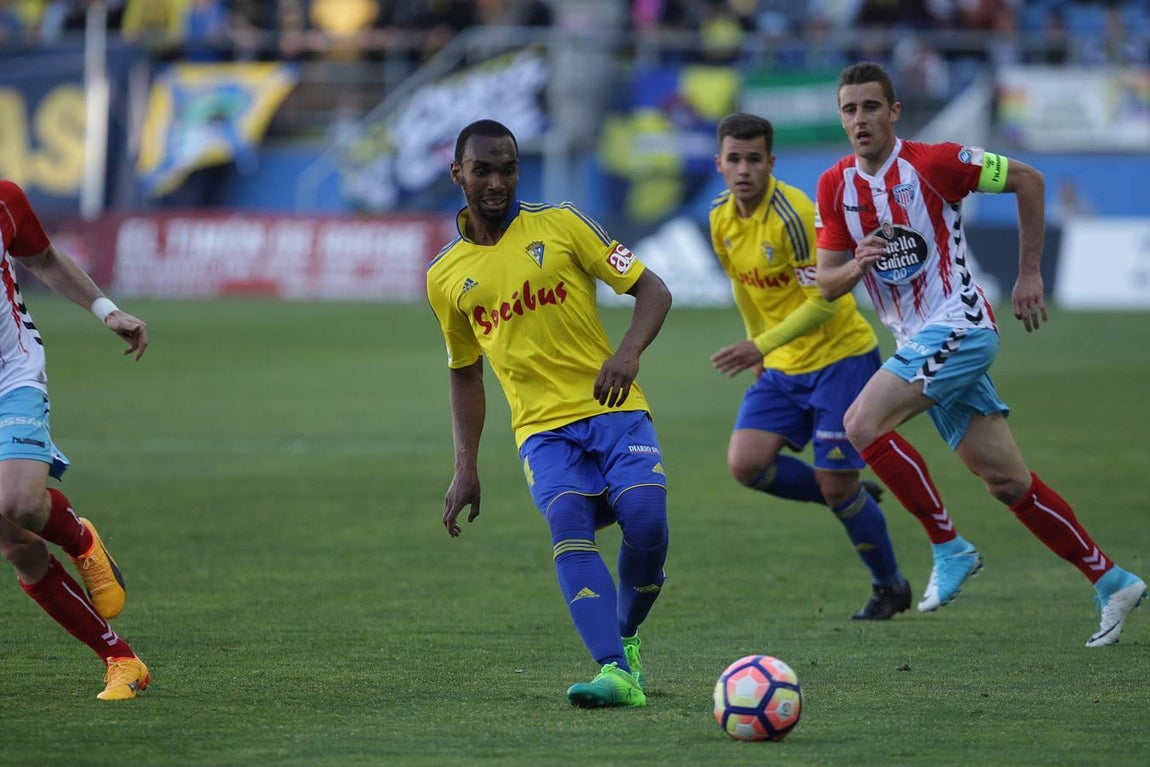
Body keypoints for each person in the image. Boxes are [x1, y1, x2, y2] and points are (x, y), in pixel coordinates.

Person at [815, 61, 1146, 647]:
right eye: (849, 109)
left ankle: (949, 547)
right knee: (1006, 482)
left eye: (871, 107)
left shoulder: (937, 163)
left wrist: (1027, 274)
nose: (860, 119)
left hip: (960, 325)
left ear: (894, 111)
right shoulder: (836, 185)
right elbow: (827, 283)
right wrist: (857, 264)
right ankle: (1111, 579)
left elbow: (1029, 179)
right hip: (917, 341)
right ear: (840, 117)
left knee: (861, 423)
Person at [427, 119, 672, 707]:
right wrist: (466, 466)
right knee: (570, 528)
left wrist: (627, 354)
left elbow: (653, 289)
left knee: (645, 523)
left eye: (507, 168)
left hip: (614, 409)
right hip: (542, 432)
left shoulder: (561, 224)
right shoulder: (444, 276)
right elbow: (464, 372)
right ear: (457, 172)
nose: (496, 181)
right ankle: (615, 671)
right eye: (482, 169)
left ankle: (626, 631)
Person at [708, 112, 912, 620]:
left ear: (770, 162)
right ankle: (841, 492)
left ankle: (890, 587)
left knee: (834, 483)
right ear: (719, 163)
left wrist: (761, 345)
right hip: (781, 362)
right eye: (734, 159)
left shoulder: (795, 214)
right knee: (747, 465)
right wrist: (762, 345)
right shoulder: (720, 218)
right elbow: (744, 286)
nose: (743, 169)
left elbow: (823, 299)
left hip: (840, 358)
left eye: (754, 159)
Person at [0, 179, 151, 698]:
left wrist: (107, 310)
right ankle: (121, 659)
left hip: (11, 373)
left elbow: (43, 259)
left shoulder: (3, 198)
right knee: (15, 544)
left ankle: (79, 538)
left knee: (18, 502)